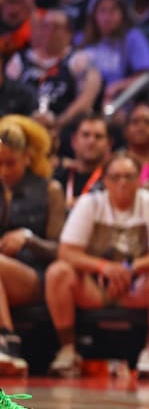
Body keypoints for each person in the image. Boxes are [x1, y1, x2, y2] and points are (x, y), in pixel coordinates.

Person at [44, 154, 149, 378]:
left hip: (137, 288)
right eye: (115, 177)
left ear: (140, 180)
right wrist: (103, 267)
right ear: (105, 181)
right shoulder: (90, 203)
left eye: (129, 177)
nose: (122, 183)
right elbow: (66, 251)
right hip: (95, 288)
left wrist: (129, 268)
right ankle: (68, 350)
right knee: (58, 272)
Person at [0, 116, 66, 374]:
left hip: (35, 277)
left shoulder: (51, 189)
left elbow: (60, 248)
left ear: (27, 157)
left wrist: (28, 238)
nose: (4, 171)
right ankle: (7, 342)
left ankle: (8, 342)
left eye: (10, 163)